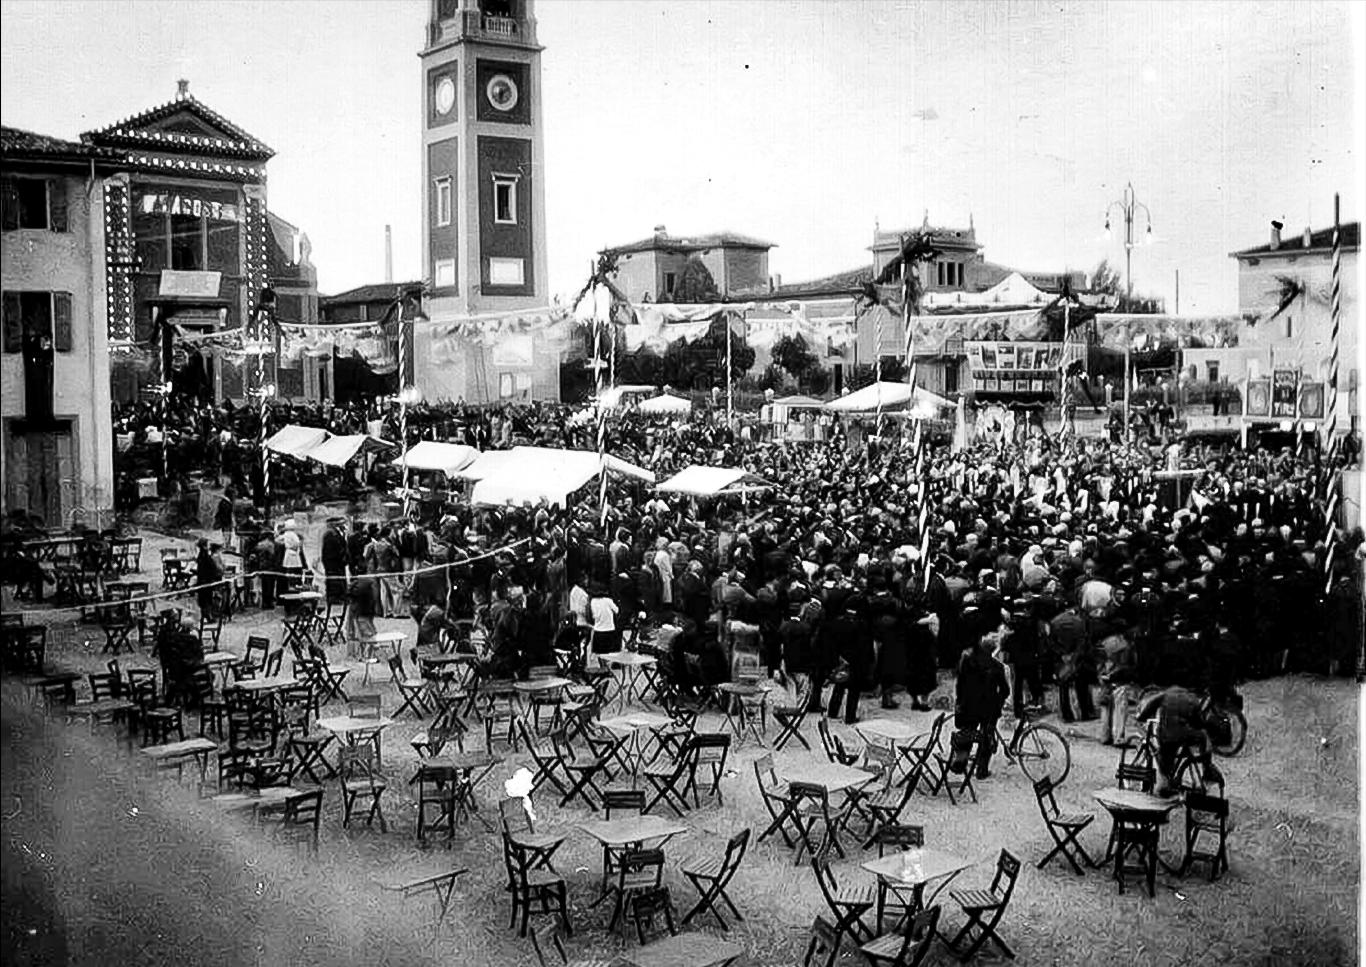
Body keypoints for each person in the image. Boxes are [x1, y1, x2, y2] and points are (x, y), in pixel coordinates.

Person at [953, 615, 1010, 779]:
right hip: (989, 709)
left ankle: (960, 762)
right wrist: (997, 703)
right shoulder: (998, 667)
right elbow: (1005, 690)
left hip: (970, 706)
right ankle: (982, 769)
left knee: (967, 733)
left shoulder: (967, 661)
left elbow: (961, 685)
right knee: (987, 737)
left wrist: (960, 702)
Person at [1135, 672, 1208, 796]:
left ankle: (1165, 785)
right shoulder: (1193, 699)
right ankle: (1206, 767)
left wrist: (1141, 717)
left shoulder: (1165, 694)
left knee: (1166, 755)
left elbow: (1149, 708)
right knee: (1201, 736)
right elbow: (1199, 724)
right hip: (1184, 735)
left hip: (1166, 735)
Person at [321, 517, 349, 603]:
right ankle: (334, 597)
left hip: (338, 562)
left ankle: (340, 596)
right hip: (333, 562)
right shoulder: (329, 534)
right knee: (334, 580)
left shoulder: (338, 533)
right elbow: (330, 549)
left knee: (339, 579)